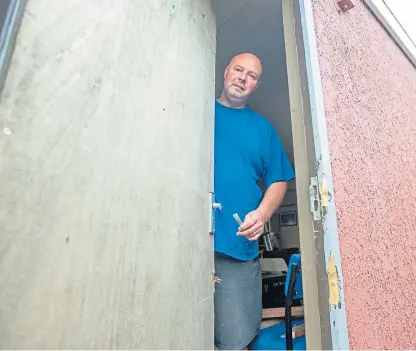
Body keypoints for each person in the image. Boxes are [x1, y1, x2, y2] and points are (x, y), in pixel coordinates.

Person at [214, 53, 295, 350]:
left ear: (256, 85)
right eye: (238, 69)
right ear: (225, 72)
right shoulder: (195, 112)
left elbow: (279, 180)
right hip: (185, 245)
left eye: (251, 76)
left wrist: (261, 214)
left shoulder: (262, 129)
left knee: (234, 340)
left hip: (236, 246)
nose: (242, 77)